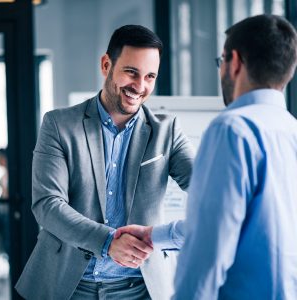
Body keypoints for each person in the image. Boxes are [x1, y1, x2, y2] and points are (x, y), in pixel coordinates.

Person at [116, 14, 297, 299]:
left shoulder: (232, 129)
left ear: (234, 61)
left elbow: (209, 245)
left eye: (221, 61)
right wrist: (155, 235)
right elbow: (235, 223)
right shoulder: (291, 130)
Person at [15, 25, 195, 300]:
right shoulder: (59, 125)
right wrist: (108, 242)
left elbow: (208, 189)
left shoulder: (167, 132)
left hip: (141, 289)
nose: (140, 86)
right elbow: (47, 205)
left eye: (150, 76)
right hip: (69, 286)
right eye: (131, 72)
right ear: (106, 64)